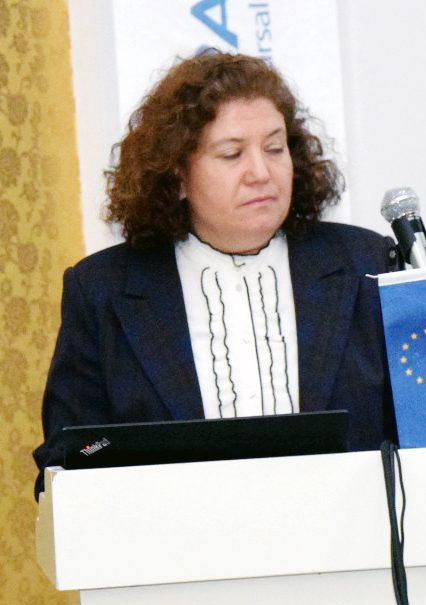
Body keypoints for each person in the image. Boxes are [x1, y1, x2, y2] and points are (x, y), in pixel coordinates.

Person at [33, 51, 397, 500]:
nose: (260, 173)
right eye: (231, 154)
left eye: (275, 148)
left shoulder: (366, 266)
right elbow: (71, 456)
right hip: (176, 536)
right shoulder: (103, 291)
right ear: (178, 174)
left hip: (350, 536)